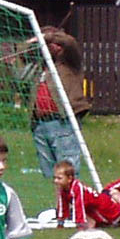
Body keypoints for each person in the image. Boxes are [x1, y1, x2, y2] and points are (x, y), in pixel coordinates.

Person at [30, 27, 88, 178]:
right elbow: (22, 52)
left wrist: (48, 37)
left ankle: (72, 200)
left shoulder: (69, 63)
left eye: (52, 43)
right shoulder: (39, 66)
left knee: (67, 168)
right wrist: (35, 41)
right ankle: (59, 201)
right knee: (51, 173)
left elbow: (70, 43)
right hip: (40, 123)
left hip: (62, 122)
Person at [52, 159, 120, 228]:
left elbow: (79, 205)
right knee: (97, 225)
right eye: (54, 178)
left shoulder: (77, 187)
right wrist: (60, 222)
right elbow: (62, 205)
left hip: (103, 205)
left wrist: (79, 223)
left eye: (59, 178)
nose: (56, 181)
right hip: (91, 208)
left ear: (69, 179)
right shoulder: (62, 189)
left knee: (115, 219)